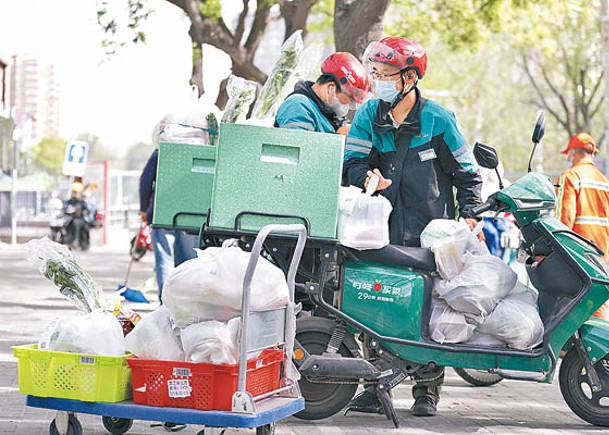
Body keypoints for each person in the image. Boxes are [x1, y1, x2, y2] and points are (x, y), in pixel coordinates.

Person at [342, 36, 483, 418]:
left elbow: (467, 175)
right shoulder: (369, 114)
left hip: (429, 231)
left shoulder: (439, 119)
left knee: (427, 307)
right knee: (377, 302)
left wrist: (470, 214)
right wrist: (365, 175)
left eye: (386, 74)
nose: (378, 80)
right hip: (379, 229)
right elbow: (352, 162)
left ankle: (427, 389)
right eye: (375, 73)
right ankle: (376, 386)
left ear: (410, 77)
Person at [139, 118, 200, 303]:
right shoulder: (202, 153)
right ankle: (185, 304)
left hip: (163, 213)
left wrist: (144, 208)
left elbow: (145, 180)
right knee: (189, 261)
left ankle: (165, 305)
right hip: (192, 216)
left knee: (164, 260)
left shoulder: (161, 153)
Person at [555, 132, 609, 318]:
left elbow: (564, 220)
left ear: (573, 153)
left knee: (576, 305)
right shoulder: (604, 182)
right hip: (602, 252)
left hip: (578, 251)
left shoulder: (569, 176)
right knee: (598, 299)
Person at [275, 51, 371, 135]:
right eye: (347, 100)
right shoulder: (298, 105)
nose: (348, 107)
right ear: (331, 88)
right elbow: (297, 147)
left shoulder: (328, 116)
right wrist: (339, 139)